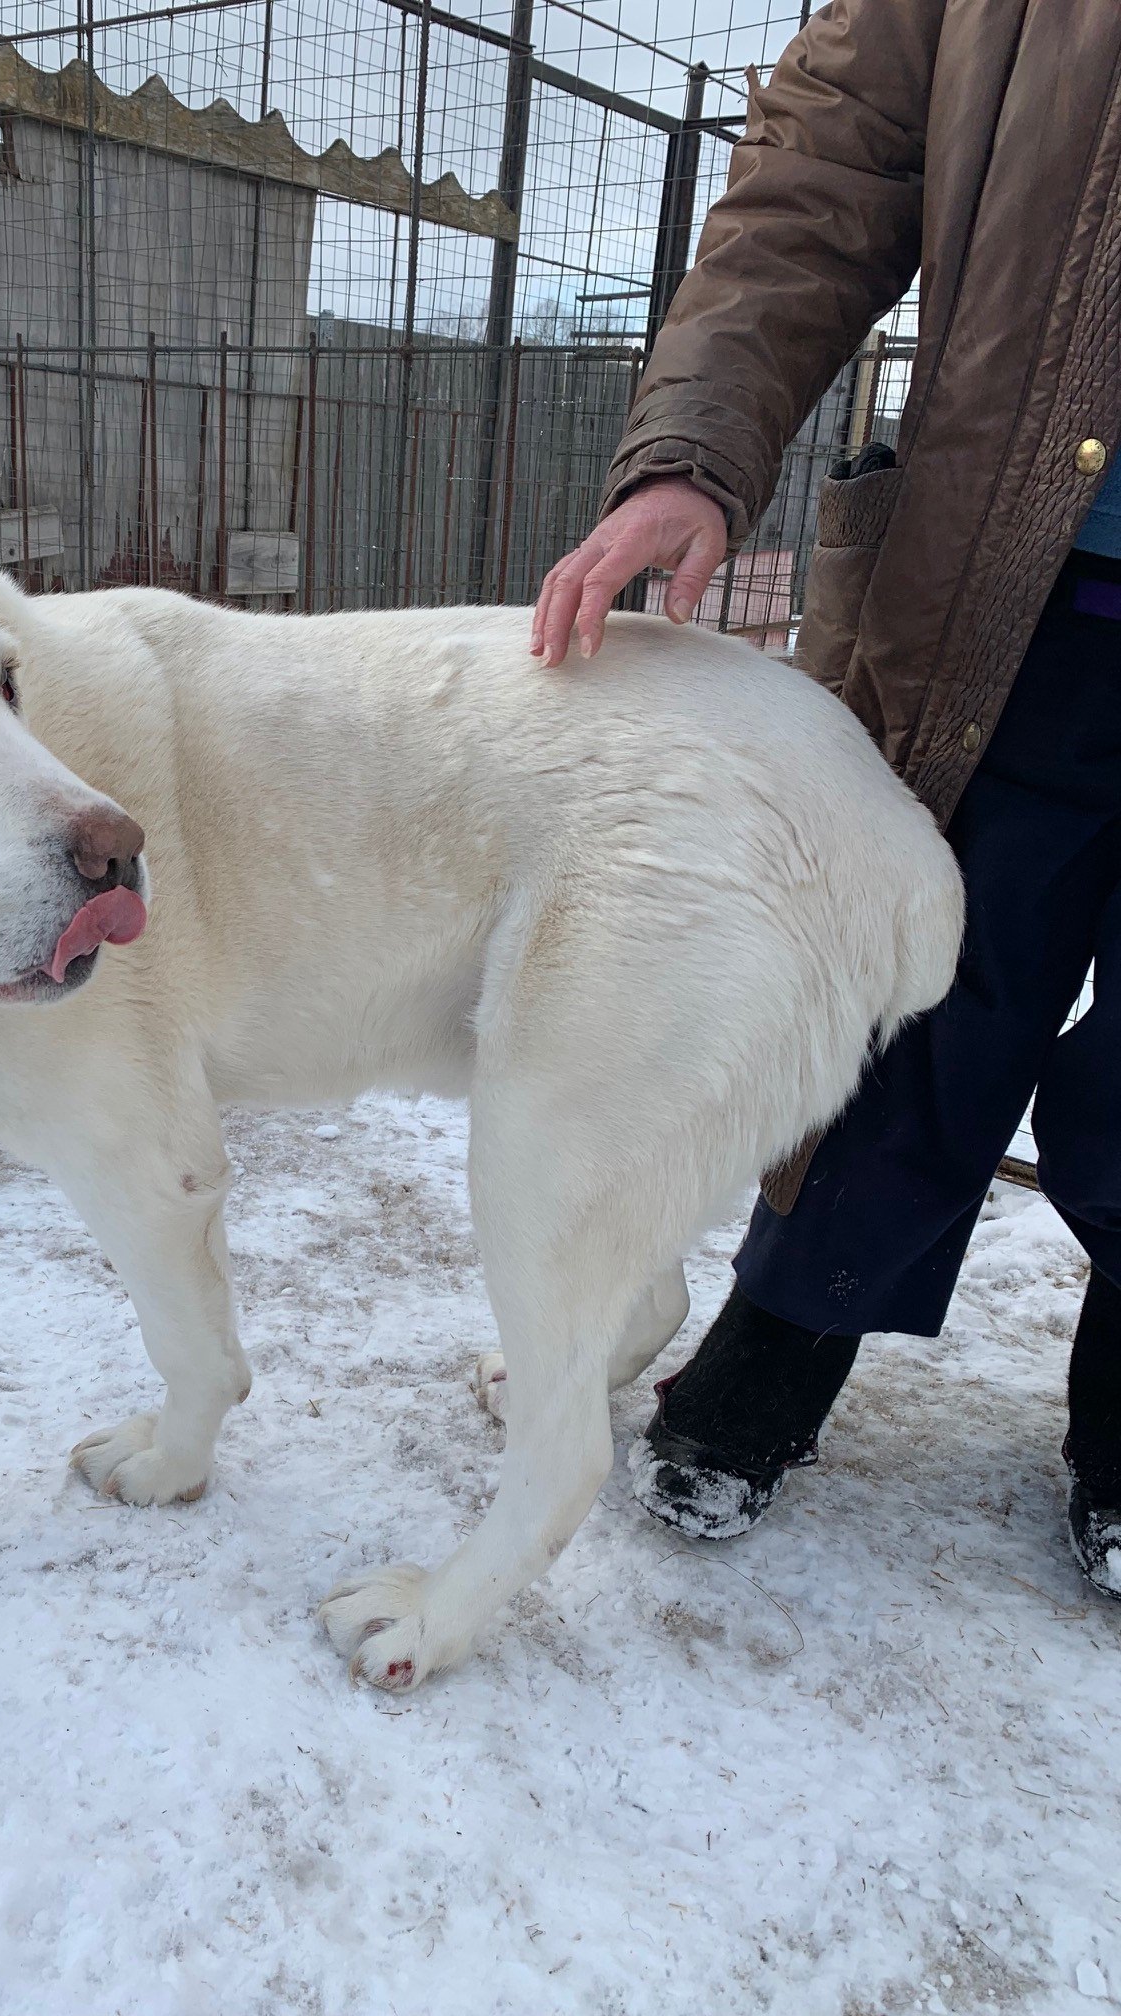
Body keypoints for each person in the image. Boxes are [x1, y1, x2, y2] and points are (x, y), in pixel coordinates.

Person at [531, 0, 1121, 1597]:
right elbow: (820, 172)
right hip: (1017, 586)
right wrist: (692, 450)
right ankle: (789, 1329)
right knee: (917, 988)